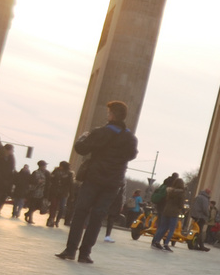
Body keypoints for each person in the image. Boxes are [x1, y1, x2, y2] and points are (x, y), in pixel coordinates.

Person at [56, 101, 138, 264]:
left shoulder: (101, 132)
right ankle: (85, 253)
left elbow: (82, 149)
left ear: (112, 115)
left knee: (80, 213)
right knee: (98, 216)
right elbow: (132, 155)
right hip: (113, 182)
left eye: (108, 113)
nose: (107, 116)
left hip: (94, 178)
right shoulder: (130, 138)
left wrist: (83, 137)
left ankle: (71, 250)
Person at [151, 173, 185, 252]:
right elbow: (180, 204)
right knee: (171, 229)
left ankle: (156, 241)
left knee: (162, 227)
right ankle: (166, 244)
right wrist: (181, 209)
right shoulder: (181, 193)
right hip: (174, 212)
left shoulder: (169, 191)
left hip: (166, 210)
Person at [45, 161, 72, 227]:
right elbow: (51, 179)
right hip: (55, 191)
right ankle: (51, 219)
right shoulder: (56, 171)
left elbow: (70, 184)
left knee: (62, 207)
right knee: (53, 206)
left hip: (63, 193)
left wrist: (71, 194)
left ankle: (57, 220)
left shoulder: (69, 173)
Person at [0, 142, 15, 216]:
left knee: (1, 196)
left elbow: (11, 169)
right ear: (7, 150)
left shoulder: (11, 158)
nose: (12, 152)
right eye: (12, 150)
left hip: (6, 181)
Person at [23, 160, 50, 224]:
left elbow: (48, 183)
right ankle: (30, 219)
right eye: (44, 165)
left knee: (38, 206)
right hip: (35, 192)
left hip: (42, 192)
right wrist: (37, 181)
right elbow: (30, 181)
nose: (45, 167)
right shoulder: (35, 172)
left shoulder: (47, 173)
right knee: (33, 205)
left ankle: (28, 214)